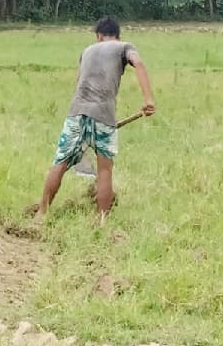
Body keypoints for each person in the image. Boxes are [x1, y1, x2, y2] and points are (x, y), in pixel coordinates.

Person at [33, 16, 155, 225]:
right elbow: (139, 63)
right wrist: (148, 99)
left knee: (60, 163)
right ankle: (101, 220)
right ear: (117, 35)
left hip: (76, 113)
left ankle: (41, 213)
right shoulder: (124, 47)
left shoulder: (87, 51)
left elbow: (77, 82)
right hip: (104, 115)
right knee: (105, 169)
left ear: (99, 36)